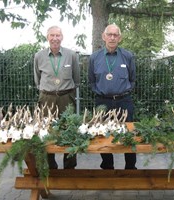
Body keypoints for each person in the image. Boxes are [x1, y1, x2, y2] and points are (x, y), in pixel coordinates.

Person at [88, 24, 137, 170]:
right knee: (103, 134)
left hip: (124, 101)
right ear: (104, 37)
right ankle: (108, 166)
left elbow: (133, 79)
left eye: (115, 35)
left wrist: (124, 91)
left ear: (120, 38)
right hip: (103, 102)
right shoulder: (94, 57)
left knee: (128, 134)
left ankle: (130, 167)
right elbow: (91, 80)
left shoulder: (127, 56)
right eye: (109, 34)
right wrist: (100, 91)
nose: (112, 37)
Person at [34, 25, 80, 169]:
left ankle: (70, 166)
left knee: (70, 130)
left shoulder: (71, 55)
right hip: (47, 98)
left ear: (62, 37)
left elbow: (76, 79)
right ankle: (50, 165)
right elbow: (37, 79)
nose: (55, 38)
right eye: (52, 35)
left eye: (58, 35)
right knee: (47, 131)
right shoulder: (39, 56)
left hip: (67, 97)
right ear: (47, 37)